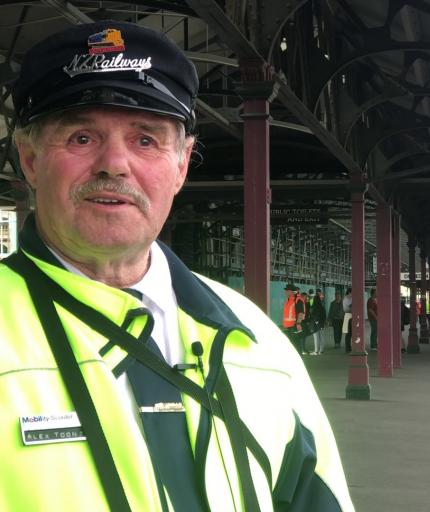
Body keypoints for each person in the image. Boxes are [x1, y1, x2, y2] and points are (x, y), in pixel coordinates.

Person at [3, 20, 354, 512]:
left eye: (146, 140)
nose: (115, 164)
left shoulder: (254, 335)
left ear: (182, 165)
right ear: (30, 160)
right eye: (82, 137)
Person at [309, 289, 327, 354]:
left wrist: (316, 320)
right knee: (321, 336)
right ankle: (321, 350)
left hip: (315, 323)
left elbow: (313, 314)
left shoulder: (314, 306)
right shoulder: (322, 305)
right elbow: (324, 314)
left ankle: (316, 350)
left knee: (316, 337)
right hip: (321, 323)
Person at [342, 288, 353, 352]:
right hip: (347, 315)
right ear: (349, 292)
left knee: (351, 333)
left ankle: (349, 347)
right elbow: (350, 307)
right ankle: (347, 348)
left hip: (351, 316)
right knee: (348, 333)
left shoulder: (351, 298)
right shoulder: (346, 299)